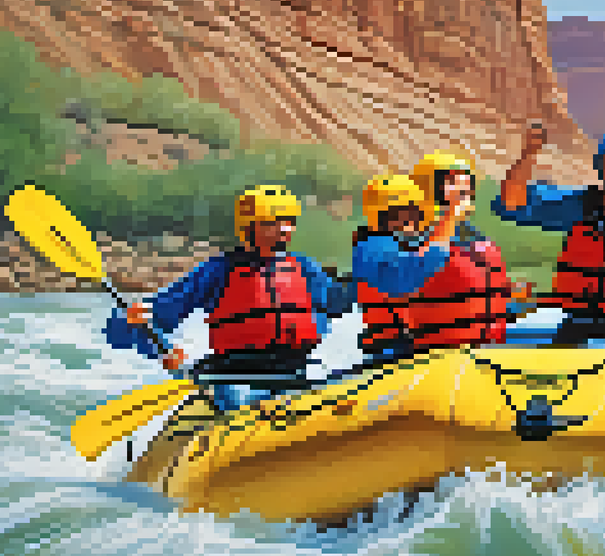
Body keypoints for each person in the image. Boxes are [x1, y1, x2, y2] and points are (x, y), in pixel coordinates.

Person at [104, 185, 358, 412]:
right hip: (235, 378)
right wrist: (147, 333)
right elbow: (157, 315)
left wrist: (365, 279)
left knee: (341, 391)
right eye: (272, 222)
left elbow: (337, 303)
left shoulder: (304, 267)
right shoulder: (218, 270)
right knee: (238, 400)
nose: (285, 229)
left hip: (294, 373)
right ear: (249, 227)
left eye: (289, 221)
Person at [493, 127, 605, 348]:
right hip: (577, 321)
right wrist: (530, 152)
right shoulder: (578, 208)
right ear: (601, 170)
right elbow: (511, 202)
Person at [352, 160, 509, 360]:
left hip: (478, 347)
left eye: (465, 188)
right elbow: (405, 279)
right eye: (452, 185)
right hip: (403, 351)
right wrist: (450, 215)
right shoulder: (376, 245)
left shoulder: (470, 239)